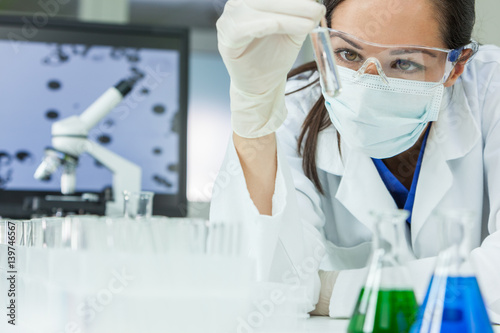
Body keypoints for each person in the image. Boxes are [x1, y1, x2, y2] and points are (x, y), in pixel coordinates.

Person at [211, 0, 500, 320]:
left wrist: (334, 290)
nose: (367, 88)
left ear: (456, 66)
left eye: (404, 62)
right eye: (348, 54)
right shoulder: (289, 111)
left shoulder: (492, 88)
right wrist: (253, 118)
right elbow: (257, 289)